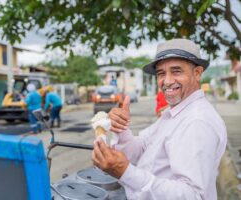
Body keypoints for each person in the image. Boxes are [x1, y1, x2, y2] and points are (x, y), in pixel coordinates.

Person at [92, 39, 227, 199]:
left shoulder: (197, 121)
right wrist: (121, 128)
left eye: (176, 71)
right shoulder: (175, 112)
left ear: (197, 73)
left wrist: (126, 172)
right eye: (161, 73)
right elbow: (143, 148)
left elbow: (193, 195)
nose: (167, 81)